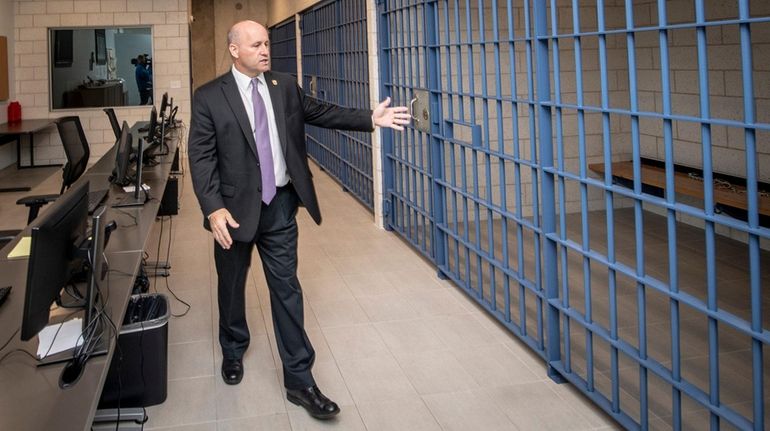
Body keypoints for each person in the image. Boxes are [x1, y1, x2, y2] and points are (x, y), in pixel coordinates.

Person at [188, 20, 410, 420]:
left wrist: (369, 118)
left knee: (286, 290)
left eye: (266, 43)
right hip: (234, 214)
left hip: (281, 205)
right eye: (255, 44)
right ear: (234, 50)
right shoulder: (208, 97)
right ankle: (233, 349)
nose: (264, 49)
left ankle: (300, 380)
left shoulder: (284, 86)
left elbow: (321, 111)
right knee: (232, 285)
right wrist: (212, 207)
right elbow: (200, 157)